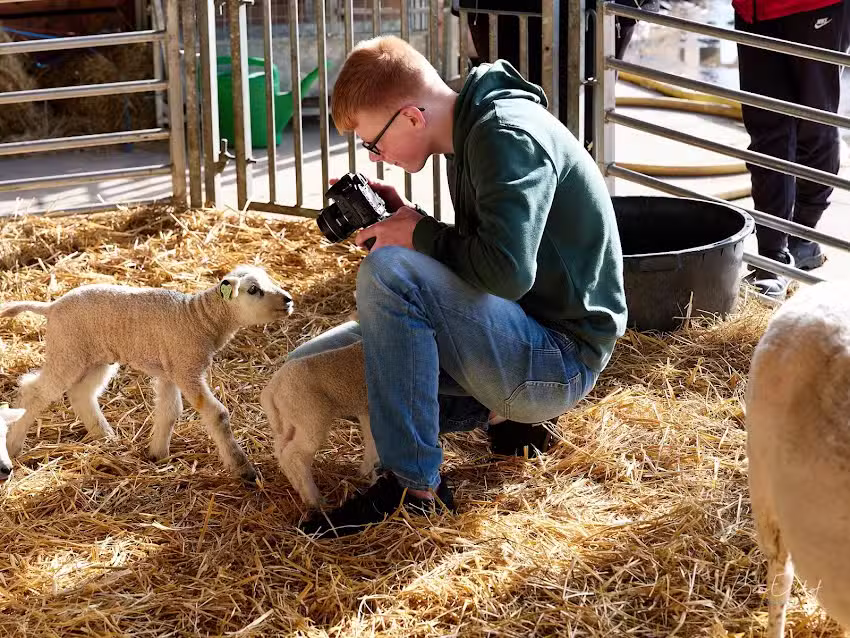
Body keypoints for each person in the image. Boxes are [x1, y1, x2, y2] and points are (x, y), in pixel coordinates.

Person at [292, 35, 627, 538]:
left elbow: (507, 273)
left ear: (411, 117)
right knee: (316, 364)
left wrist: (419, 236)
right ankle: (502, 419)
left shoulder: (505, 136)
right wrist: (411, 220)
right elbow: (488, 256)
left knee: (387, 271)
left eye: (373, 143)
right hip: (523, 331)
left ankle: (414, 491)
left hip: (558, 361)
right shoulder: (473, 130)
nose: (376, 158)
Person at [734, 0, 849, 298]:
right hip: (753, 11)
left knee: (816, 121)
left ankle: (803, 233)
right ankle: (772, 256)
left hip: (816, 7)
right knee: (766, 129)